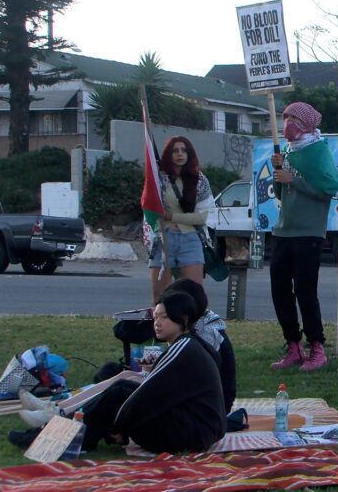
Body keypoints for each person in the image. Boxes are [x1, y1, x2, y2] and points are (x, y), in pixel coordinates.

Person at [81, 289, 226, 453]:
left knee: (119, 394)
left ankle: (77, 440)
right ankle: (75, 426)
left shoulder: (184, 348)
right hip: (198, 428)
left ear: (183, 319)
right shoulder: (190, 344)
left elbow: (147, 395)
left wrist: (118, 427)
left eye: (164, 317)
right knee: (122, 385)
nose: (157, 323)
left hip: (192, 434)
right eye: (155, 317)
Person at [269, 102, 336, 371]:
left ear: (307, 122)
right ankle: (293, 345)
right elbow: (281, 191)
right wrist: (279, 175)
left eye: (293, 118)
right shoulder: (287, 151)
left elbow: (327, 189)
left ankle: (316, 347)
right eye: (284, 118)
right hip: (283, 229)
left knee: (305, 290)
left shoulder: (319, 152)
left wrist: (291, 179)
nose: (287, 123)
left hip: (309, 231)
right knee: (280, 289)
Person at [148, 136, 215, 304]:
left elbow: (204, 217)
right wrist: (152, 177)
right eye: (175, 150)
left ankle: (192, 329)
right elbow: (150, 207)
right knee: (159, 296)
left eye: (184, 150)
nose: (180, 154)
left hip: (190, 239)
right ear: (168, 154)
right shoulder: (159, 179)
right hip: (164, 238)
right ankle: (159, 327)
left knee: (194, 296)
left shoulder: (200, 181)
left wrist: (173, 216)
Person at [166, 278, 237, 413]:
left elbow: (189, 379)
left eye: (166, 314)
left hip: (209, 408)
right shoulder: (195, 324)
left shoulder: (207, 334)